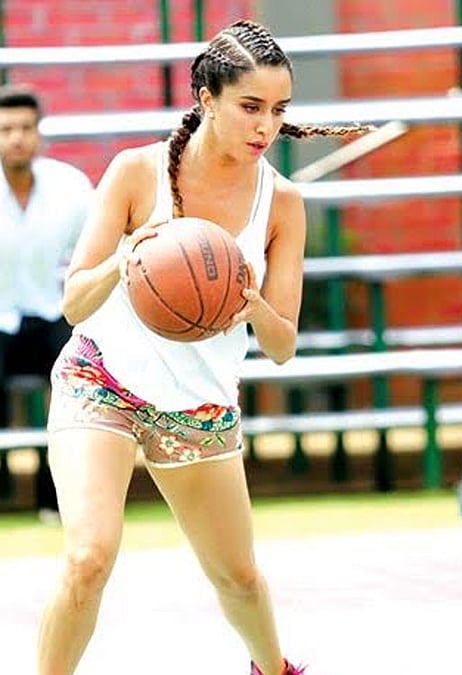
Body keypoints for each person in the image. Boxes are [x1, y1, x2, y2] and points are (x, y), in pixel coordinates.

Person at [38, 20, 369, 675]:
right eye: (251, 107)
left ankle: (272, 667)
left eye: (278, 111)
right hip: (101, 382)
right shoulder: (135, 173)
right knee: (88, 556)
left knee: (240, 578)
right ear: (205, 97)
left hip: (198, 405)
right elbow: (74, 301)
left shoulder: (283, 203)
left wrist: (249, 303)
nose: (265, 127)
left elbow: (281, 346)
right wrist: (124, 261)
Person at [0, 85, 93, 522]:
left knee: (78, 381)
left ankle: (55, 500)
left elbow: (96, 248)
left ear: (39, 134)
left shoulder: (69, 186)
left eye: (24, 128)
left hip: (49, 311)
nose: (16, 137)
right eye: (5, 129)